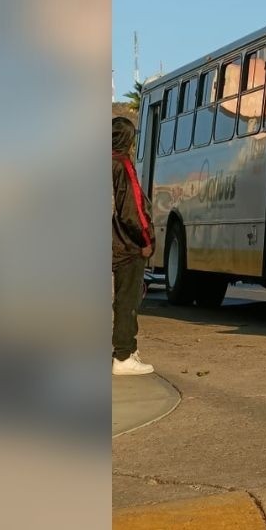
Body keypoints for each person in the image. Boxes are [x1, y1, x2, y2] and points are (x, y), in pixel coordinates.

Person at [111, 116, 155, 375]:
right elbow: (134, 211)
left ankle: (127, 349)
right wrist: (146, 242)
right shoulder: (123, 166)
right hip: (126, 247)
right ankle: (124, 355)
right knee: (127, 300)